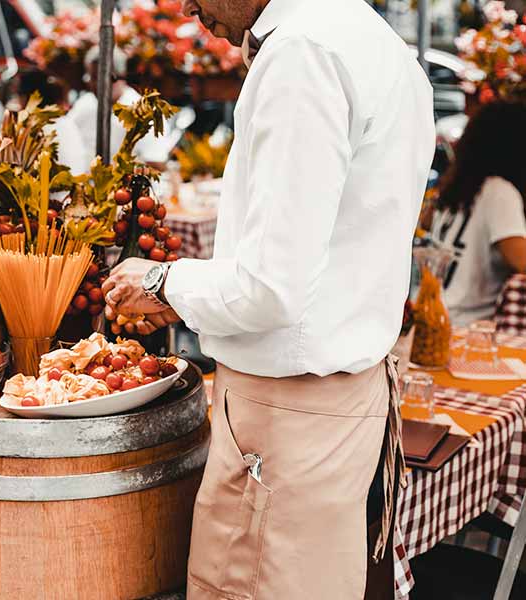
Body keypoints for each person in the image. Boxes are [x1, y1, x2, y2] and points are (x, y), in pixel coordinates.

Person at [101, 0, 435, 598]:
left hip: (289, 421)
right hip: (336, 406)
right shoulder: (372, 40)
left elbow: (270, 289)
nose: (187, 7)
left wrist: (161, 282)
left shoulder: (305, 50)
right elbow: (317, 260)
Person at [431, 101, 526, 326]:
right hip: (466, 331)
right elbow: (521, 260)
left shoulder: (457, 188)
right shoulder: (499, 192)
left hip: (434, 319)